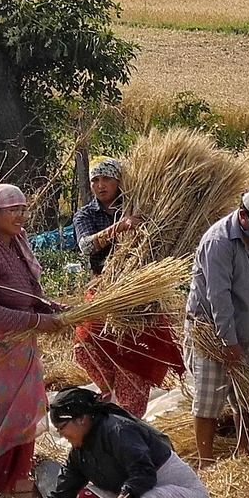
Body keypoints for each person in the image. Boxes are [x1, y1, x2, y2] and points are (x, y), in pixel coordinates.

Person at [0, 183, 67, 498]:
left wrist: (56, 311)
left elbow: (29, 297)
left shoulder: (17, 247)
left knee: (23, 413)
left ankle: (17, 488)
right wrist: (37, 322)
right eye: (12, 210)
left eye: (23, 209)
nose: (20, 216)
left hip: (19, 345)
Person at [71, 158, 184, 417]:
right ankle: (110, 389)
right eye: (95, 181)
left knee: (136, 359)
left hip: (139, 295)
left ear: (119, 181)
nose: (100, 186)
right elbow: (86, 245)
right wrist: (120, 227)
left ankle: (129, 418)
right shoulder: (86, 214)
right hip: (103, 290)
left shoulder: (138, 206)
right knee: (84, 347)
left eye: (106, 179)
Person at [35, 387, 210, 498]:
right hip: (144, 496)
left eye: (62, 428)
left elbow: (144, 474)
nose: (61, 435)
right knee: (85, 497)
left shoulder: (117, 430)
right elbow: (62, 495)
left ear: (82, 419)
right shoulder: (79, 452)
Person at [183, 187, 249, 467]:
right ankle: (205, 461)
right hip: (210, 328)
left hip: (247, 323)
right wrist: (228, 341)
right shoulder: (218, 242)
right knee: (209, 396)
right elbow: (219, 295)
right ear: (243, 216)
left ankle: (245, 453)